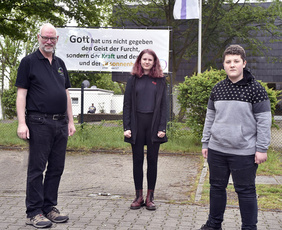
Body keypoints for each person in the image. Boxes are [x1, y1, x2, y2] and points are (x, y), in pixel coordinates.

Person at [199, 45, 272, 230]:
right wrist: (206, 142)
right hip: (217, 150)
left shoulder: (256, 89)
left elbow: (264, 121)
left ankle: (249, 227)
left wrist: (262, 148)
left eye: (236, 61)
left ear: (244, 63)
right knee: (216, 188)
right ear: (224, 65)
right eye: (228, 61)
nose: (232, 65)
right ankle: (214, 225)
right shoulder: (217, 89)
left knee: (245, 191)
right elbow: (210, 117)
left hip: (244, 152)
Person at [15, 23, 76, 228]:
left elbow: (65, 92)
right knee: (36, 169)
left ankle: (49, 208)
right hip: (38, 122)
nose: (49, 41)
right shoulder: (28, 62)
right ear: (39, 38)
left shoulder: (59, 63)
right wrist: (22, 123)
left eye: (52, 38)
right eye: (45, 37)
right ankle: (34, 212)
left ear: (57, 40)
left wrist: (71, 120)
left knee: (56, 168)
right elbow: (21, 94)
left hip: (61, 123)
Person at [123, 49, 168, 211]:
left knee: (152, 161)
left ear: (154, 62)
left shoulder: (161, 81)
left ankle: (150, 197)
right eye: (144, 59)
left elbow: (164, 106)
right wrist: (126, 127)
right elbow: (127, 105)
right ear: (140, 61)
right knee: (137, 161)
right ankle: (138, 196)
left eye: (150, 59)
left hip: (154, 126)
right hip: (136, 125)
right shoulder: (133, 80)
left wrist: (162, 127)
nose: (147, 62)